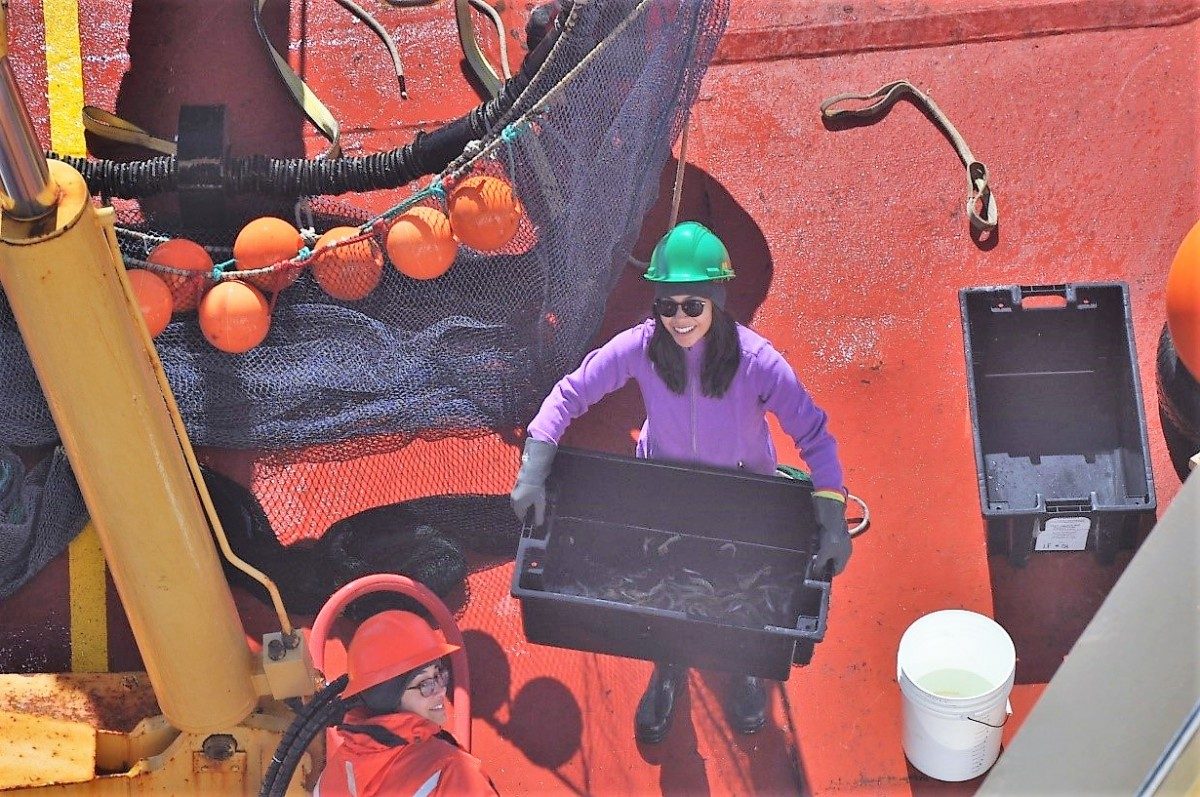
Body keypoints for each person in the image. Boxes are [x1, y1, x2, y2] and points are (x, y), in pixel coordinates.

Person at [510, 221, 851, 743]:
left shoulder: (758, 361)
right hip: (663, 489)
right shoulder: (641, 347)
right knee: (664, 585)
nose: (679, 318)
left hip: (744, 494)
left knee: (740, 590)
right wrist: (534, 469)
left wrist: (832, 521)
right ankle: (668, 666)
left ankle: (742, 669)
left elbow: (814, 434)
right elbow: (569, 395)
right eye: (668, 305)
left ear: (717, 301)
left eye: (694, 305)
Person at [317, 610, 497, 796]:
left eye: (439, 675)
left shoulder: (333, 774)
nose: (441, 690)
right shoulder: (452, 772)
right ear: (388, 696)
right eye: (424, 684)